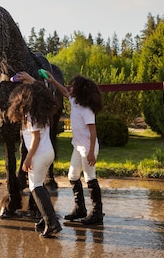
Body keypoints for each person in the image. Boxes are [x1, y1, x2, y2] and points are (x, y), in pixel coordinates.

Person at [42, 71, 104, 225]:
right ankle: (80, 209)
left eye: (74, 87)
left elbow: (93, 132)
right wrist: (53, 80)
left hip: (88, 148)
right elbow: (64, 91)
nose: (71, 89)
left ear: (81, 90)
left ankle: (97, 213)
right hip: (78, 147)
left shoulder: (87, 110)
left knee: (90, 178)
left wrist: (91, 153)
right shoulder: (75, 101)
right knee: (72, 176)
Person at [8, 71, 62, 238]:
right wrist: (33, 81)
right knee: (39, 187)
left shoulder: (30, 116)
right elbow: (45, 93)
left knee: (35, 187)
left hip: (39, 155)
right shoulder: (42, 112)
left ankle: (52, 223)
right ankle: (46, 219)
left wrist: (27, 159)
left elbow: (36, 139)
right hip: (48, 154)